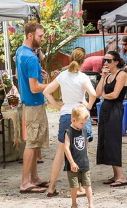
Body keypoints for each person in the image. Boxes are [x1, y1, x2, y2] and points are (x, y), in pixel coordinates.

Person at [43, 48, 97, 197]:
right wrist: (89, 106)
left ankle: (51, 187)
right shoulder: (83, 77)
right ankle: (80, 187)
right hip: (80, 113)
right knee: (81, 152)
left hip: (66, 114)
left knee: (60, 152)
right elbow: (93, 94)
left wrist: (57, 105)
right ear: (83, 61)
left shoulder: (62, 76)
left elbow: (46, 91)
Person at [16, 22, 49, 194]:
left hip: (28, 103)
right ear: (30, 36)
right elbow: (35, 87)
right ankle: (25, 182)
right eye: (40, 36)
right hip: (34, 104)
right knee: (32, 143)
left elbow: (25, 77)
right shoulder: (31, 57)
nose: (42, 39)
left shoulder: (20, 52)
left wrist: (38, 75)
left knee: (35, 142)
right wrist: (51, 85)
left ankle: (34, 178)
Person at [95, 50, 127, 187]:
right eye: (105, 60)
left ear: (116, 61)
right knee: (106, 139)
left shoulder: (121, 74)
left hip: (115, 109)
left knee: (113, 140)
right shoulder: (108, 75)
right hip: (105, 108)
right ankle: (116, 175)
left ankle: (121, 176)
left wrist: (103, 95)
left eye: (109, 61)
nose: (106, 63)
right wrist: (102, 77)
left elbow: (115, 95)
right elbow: (97, 93)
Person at [64, 105, 99, 208]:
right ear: (73, 120)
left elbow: (85, 146)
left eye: (84, 123)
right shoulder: (69, 132)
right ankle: (74, 204)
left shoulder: (83, 130)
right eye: (81, 123)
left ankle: (91, 205)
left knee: (88, 185)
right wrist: (71, 162)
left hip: (84, 164)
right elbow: (66, 148)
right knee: (74, 187)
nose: (83, 125)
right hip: (73, 165)